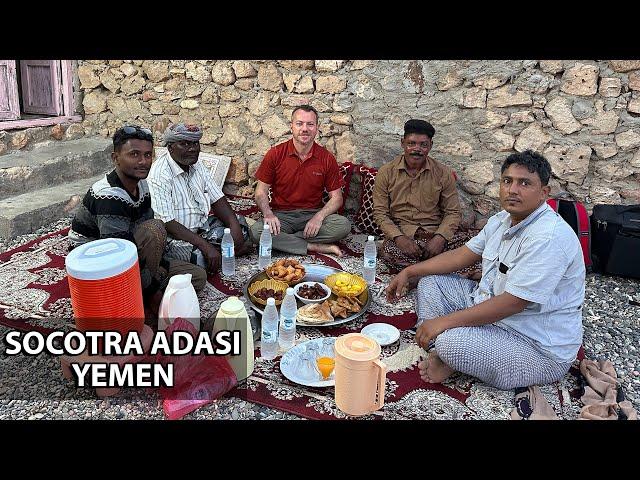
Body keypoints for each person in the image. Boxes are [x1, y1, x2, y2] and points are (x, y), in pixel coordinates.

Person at [385, 150, 585, 390]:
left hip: (534, 344)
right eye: (507, 181)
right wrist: (410, 272)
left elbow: (513, 303)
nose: (512, 190)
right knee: (430, 282)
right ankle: (447, 350)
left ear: (544, 193)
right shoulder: (503, 219)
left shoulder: (548, 237)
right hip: (492, 310)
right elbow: (462, 255)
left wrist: (442, 322)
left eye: (524, 183)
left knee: (451, 342)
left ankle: (448, 352)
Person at [68, 125, 207, 314]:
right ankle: (141, 300)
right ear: (115, 158)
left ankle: (145, 288)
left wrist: (160, 269)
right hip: (98, 263)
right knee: (155, 229)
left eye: (148, 155)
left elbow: (140, 237)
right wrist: (154, 290)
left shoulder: (142, 184)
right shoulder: (108, 196)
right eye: (134, 155)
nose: (143, 162)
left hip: (131, 247)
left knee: (197, 277)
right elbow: (117, 255)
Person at [373, 119, 477, 273]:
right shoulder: (386, 172)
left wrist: (440, 238)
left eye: (423, 145)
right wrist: (399, 238)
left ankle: (418, 272)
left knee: (476, 245)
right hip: (404, 236)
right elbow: (380, 213)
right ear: (402, 143)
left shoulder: (443, 173)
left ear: (431, 146)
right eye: (411, 143)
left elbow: (453, 212)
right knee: (389, 252)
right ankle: (441, 270)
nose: (417, 149)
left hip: (434, 233)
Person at [147, 123, 251, 274]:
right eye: (184, 144)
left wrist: (234, 227)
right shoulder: (159, 175)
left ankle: (220, 253)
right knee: (197, 259)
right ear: (170, 148)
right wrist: (206, 247)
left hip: (202, 227)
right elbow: (168, 223)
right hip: (176, 237)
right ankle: (222, 253)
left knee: (240, 226)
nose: (192, 149)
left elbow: (217, 198)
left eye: (195, 143)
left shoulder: (197, 165)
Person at [250, 105, 351, 257]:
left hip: (311, 215)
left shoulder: (326, 158)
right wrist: (268, 214)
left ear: (317, 128)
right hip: (282, 216)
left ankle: (286, 243)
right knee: (256, 231)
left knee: (343, 225)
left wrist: (319, 217)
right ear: (291, 126)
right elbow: (260, 192)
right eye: (299, 123)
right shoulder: (275, 154)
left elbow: (336, 198)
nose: (305, 129)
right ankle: (313, 245)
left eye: (310, 124)